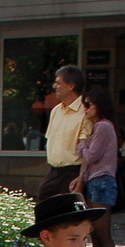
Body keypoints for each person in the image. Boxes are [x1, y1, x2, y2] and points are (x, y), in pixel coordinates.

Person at [73, 89, 123, 247]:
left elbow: (91, 155)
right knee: (95, 234)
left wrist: (83, 145)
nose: (86, 108)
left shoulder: (103, 126)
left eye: (89, 104)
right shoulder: (97, 128)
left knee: (103, 233)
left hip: (103, 181)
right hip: (95, 181)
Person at [40, 65, 87, 200]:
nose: (55, 86)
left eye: (58, 82)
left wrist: (81, 180)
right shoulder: (56, 111)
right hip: (54, 171)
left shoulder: (84, 112)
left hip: (73, 173)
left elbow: (87, 151)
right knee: (43, 208)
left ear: (71, 86)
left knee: (69, 216)